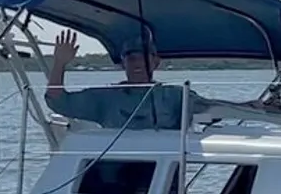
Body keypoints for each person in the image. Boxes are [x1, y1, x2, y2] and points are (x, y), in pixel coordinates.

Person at [45, 28, 216, 131]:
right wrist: (59, 62)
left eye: (144, 57)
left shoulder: (175, 96)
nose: (138, 63)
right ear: (122, 63)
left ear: (156, 62)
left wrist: (242, 108)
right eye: (131, 58)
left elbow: (212, 110)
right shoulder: (106, 97)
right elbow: (58, 101)